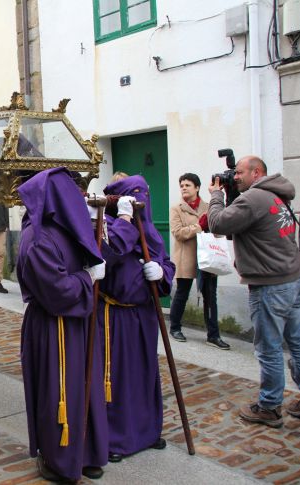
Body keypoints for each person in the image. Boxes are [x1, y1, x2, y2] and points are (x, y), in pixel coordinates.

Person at [17, 168, 108, 483]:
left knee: (86, 385)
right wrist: (88, 277)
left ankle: (87, 453)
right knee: (59, 391)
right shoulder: (37, 237)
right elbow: (57, 290)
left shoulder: (66, 229)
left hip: (76, 322)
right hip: (53, 325)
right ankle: (60, 459)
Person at [208, 155, 300, 427]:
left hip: (270, 285)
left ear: (257, 172)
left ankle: (269, 406)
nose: (235, 177)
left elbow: (217, 223)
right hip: (292, 279)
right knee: (297, 342)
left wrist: (216, 195)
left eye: (239, 172)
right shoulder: (276, 195)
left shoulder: (254, 199)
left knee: (269, 348)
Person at [99, 174, 175, 462]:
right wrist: (124, 223)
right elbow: (106, 254)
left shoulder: (151, 231)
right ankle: (116, 437)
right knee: (117, 377)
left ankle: (147, 431)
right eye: (135, 195)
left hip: (144, 315)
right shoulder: (105, 225)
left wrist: (162, 272)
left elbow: (166, 261)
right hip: (114, 314)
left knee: (144, 374)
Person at [168, 173, 230, 349]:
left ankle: (213, 335)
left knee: (210, 296)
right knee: (182, 293)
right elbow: (178, 233)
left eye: (188, 185)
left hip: (207, 256)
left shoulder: (209, 206)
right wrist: (199, 226)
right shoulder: (177, 209)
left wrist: (209, 225)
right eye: (181, 185)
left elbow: (218, 230)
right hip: (186, 256)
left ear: (197, 188)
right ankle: (175, 328)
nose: (184, 188)